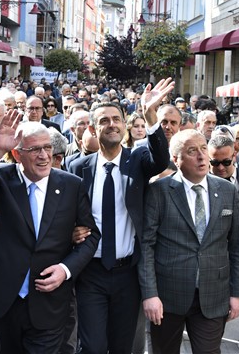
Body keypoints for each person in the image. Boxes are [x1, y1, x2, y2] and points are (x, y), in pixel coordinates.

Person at [0, 115, 100, 352]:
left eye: (47, 148)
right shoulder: (2, 177)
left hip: (49, 299)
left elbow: (91, 236)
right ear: (16, 154)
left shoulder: (71, 185)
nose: (44, 156)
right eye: (34, 149)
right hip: (5, 298)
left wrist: (65, 270)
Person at [68, 78, 174, 353]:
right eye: (104, 120)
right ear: (92, 128)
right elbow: (66, 211)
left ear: (125, 124)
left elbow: (161, 160)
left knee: (121, 345)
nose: (112, 124)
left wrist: (151, 116)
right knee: (91, 346)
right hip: (90, 271)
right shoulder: (78, 167)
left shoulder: (138, 161)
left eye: (117, 119)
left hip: (128, 272)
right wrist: (70, 231)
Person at [140, 129, 239, 354]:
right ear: (176, 159)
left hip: (212, 296)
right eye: (191, 151)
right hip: (168, 297)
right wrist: (150, 294)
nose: (201, 156)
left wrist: (238, 294)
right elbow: (146, 246)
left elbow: (238, 247)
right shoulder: (159, 191)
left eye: (203, 149)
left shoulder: (226, 190)